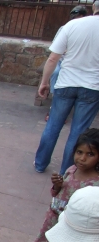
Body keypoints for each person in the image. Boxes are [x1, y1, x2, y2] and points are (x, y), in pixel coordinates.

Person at [33, 13, 99, 175]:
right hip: (92, 86)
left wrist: (45, 82)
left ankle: (40, 163)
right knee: (78, 131)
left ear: (93, 7)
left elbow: (53, 58)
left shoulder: (73, 25)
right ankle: (67, 172)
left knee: (53, 125)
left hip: (66, 83)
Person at [33, 129, 99, 242]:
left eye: (90, 154)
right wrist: (57, 185)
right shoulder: (72, 169)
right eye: (79, 152)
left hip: (71, 226)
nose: (82, 158)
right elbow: (58, 193)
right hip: (52, 220)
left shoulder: (95, 185)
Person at [45, 5, 88, 122]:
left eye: (78, 17)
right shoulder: (65, 28)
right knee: (56, 72)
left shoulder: (88, 29)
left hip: (77, 63)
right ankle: (54, 104)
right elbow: (55, 50)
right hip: (62, 60)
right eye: (74, 17)